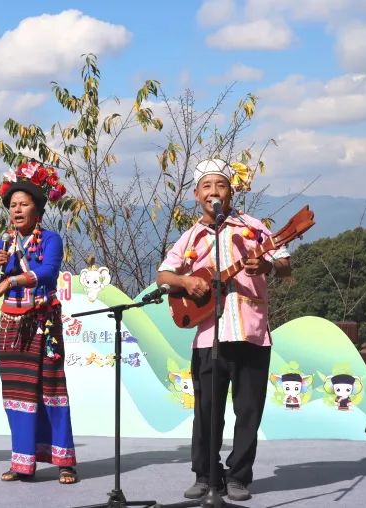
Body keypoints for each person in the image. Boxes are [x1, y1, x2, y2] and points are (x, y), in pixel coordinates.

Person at [156, 158, 291, 502]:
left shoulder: (253, 227)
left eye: (220, 185)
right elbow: (164, 275)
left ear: (231, 192)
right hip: (208, 337)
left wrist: (268, 266)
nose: (214, 192)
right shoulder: (191, 237)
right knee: (206, 411)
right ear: (196, 194)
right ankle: (205, 475)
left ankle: (239, 477)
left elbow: (285, 265)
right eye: (207, 186)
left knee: (248, 411)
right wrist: (187, 281)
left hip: (252, 333)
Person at [0, 160, 77, 484]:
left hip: (42, 322)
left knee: (51, 389)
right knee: (17, 393)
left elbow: (49, 272)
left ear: (37, 209)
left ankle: (64, 461)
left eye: (23, 204)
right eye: (13, 205)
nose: (17, 210)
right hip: (11, 327)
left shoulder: (51, 240)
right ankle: (22, 461)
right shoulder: (3, 245)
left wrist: (12, 280)